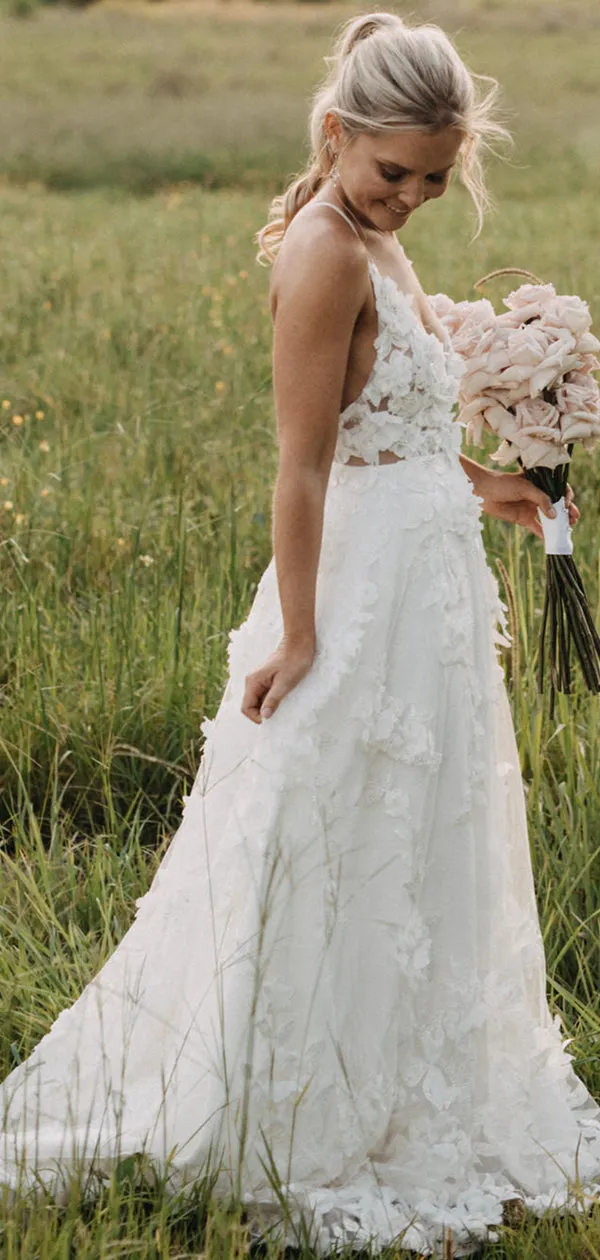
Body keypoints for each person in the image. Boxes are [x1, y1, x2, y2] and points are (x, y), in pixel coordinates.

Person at [1, 11, 599, 1258]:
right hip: (350, 601)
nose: (413, 199)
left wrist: (508, 486)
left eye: (437, 179)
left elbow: (407, 434)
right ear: (336, 136)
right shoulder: (326, 253)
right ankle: (296, 1106)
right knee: (328, 837)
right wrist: (303, 637)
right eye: (395, 173)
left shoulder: (384, 246)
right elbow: (304, 468)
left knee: (415, 841)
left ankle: (407, 1082)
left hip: (427, 594)